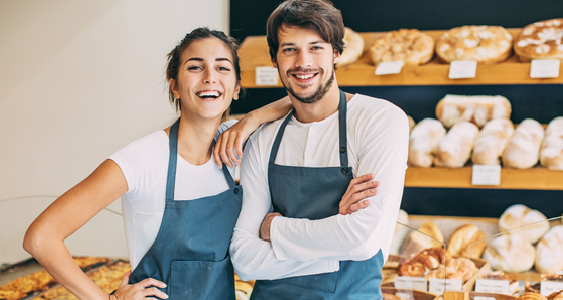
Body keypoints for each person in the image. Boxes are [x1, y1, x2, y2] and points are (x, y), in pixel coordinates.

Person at [23, 27, 375, 300]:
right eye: (195, 67)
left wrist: (250, 120)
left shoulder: (234, 144)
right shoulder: (143, 158)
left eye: (222, 68)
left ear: (236, 86)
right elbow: (42, 237)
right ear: (174, 85)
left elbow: (305, 99)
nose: (210, 77)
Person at [229, 0, 410, 299]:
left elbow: (362, 241)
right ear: (275, 59)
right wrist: (336, 244)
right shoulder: (263, 137)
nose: (303, 62)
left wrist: (274, 229)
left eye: (316, 47)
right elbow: (245, 261)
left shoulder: (380, 120)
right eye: (289, 49)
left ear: (337, 52)